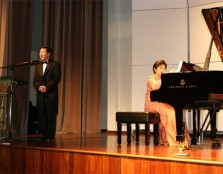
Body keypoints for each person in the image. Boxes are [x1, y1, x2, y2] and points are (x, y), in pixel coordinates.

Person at [144, 60, 191, 146]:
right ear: (155, 69)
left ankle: (181, 137)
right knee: (170, 111)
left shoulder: (163, 79)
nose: (163, 70)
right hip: (151, 103)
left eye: (164, 68)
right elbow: (155, 86)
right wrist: (168, 77)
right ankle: (175, 140)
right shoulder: (150, 79)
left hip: (160, 102)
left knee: (176, 110)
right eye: (160, 68)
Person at [33, 46, 61, 142]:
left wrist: (47, 87)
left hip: (51, 94)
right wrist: (39, 87)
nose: (40, 54)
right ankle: (44, 134)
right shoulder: (37, 66)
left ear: (48, 54)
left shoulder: (55, 64)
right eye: (40, 52)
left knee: (51, 114)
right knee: (42, 114)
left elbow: (56, 78)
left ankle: (50, 135)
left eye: (43, 52)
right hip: (40, 94)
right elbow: (35, 80)